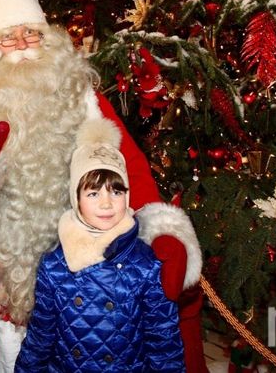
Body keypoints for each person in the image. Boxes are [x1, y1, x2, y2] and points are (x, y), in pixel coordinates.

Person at [0, 0, 204, 372]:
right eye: (7, 38)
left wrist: (162, 235)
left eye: (31, 33)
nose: (21, 45)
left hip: (86, 290)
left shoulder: (83, 101)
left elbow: (129, 172)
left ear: (50, 42)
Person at [16, 120, 185, 371]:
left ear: (126, 196)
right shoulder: (54, 265)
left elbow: (163, 340)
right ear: (77, 199)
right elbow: (40, 338)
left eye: (116, 192)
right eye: (93, 193)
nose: (106, 204)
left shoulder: (145, 265)